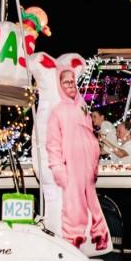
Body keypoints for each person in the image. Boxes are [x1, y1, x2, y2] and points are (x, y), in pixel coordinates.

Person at [47, 68, 111, 251]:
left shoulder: (81, 106)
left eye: (72, 81)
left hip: (87, 163)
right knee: (73, 203)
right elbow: (53, 143)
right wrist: (57, 167)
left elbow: (89, 134)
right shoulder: (57, 112)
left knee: (92, 200)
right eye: (66, 82)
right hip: (71, 164)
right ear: (60, 86)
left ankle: (100, 234)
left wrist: (94, 161)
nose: (71, 85)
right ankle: (73, 237)